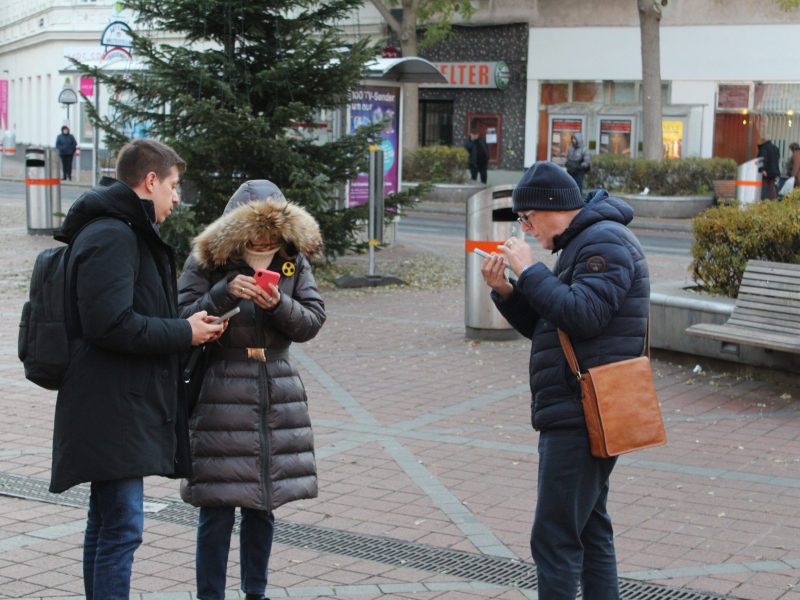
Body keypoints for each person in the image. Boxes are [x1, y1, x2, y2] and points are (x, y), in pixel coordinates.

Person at [49, 138, 226, 600]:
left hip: (115, 403)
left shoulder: (121, 231)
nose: (177, 196)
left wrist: (185, 327)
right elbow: (109, 324)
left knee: (108, 522)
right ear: (151, 181)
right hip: (111, 406)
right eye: (174, 185)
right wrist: (183, 333)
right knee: (123, 527)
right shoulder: (114, 235)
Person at [479, 161, 650, 599]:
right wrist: (507, 290)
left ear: (551, 207)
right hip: (578, 404)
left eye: (527, 217)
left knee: (554, 537)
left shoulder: (604, 243)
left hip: (584, 407)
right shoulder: (584, 243)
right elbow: (552, 325)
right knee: (589, 529)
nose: (526, 227)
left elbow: (584, 316)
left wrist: (531, 271)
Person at [177, 180, 326, 600]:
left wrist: (277, 303)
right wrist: (223, 294)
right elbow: (180, 318)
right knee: (217, 506)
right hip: (222, 387)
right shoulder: (207, 261)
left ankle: (255, 592)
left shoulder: (292, 261)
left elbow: (312, 320)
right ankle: (211, 594)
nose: (264, 241)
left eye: (272, 233)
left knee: (264, 502)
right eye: (254, 232)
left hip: (275, 389)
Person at [757, 135, 780, 200]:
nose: (759, 142)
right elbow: (777, 159)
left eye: (760, 140)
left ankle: (761, 201)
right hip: (774, 170)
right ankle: (773, 201)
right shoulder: (775, 148)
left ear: (763, 140)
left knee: (762, 187)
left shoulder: (764, 148)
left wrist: (762, 169)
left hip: (766, 171)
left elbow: (762, 159)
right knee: (772, 187)